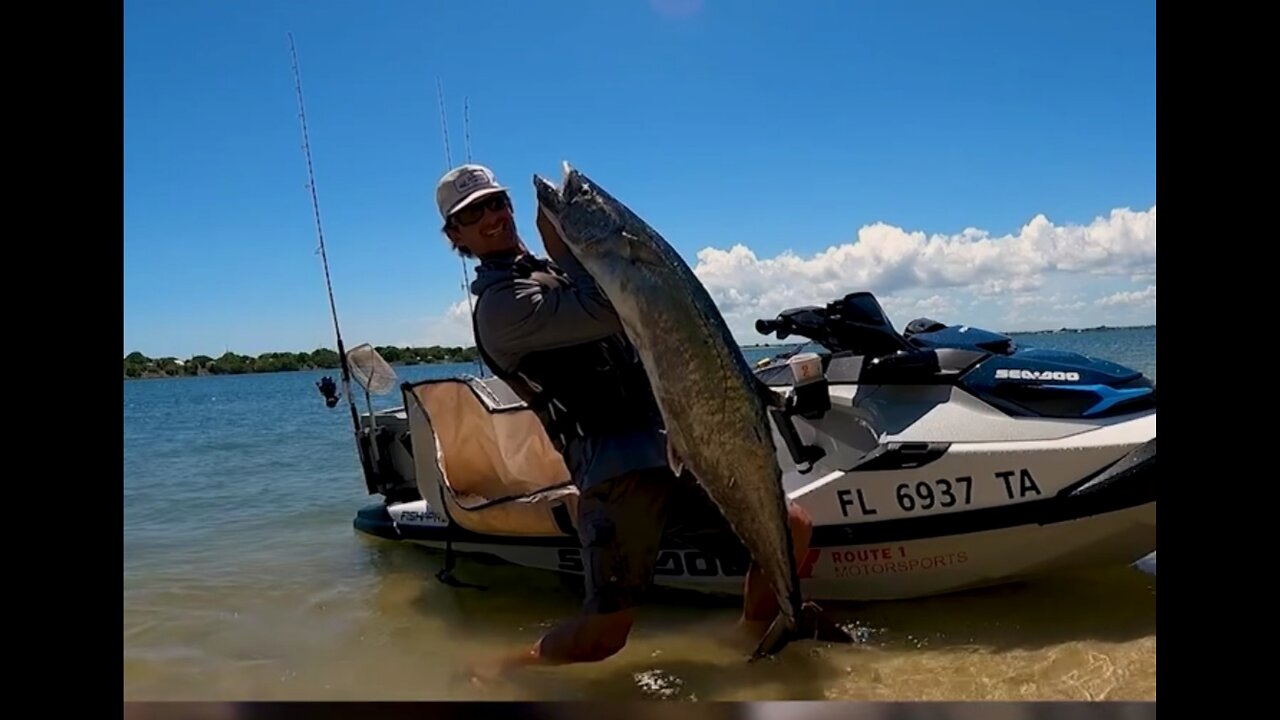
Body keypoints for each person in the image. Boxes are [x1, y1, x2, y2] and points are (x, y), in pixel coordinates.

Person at [434, 163, 815, 681]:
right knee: (604, 638)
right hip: (617, 473)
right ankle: (498, 670)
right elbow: (614, 303)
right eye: (472, 214)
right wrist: (565, 236)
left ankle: (753, 635)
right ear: (456, 235)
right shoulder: (502, 307)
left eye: (496, 202)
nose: (491, 216)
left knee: (791, 527)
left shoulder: (547, 272)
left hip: (671, 446)